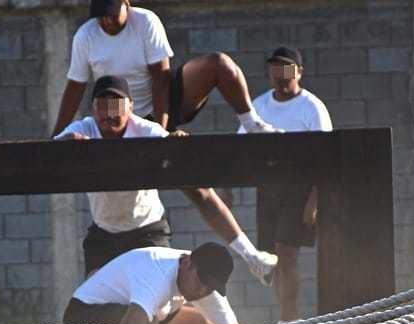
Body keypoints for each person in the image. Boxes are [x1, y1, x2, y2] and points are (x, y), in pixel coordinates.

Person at [53, 1, 281, 284]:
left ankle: (252, 125)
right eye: (101, 18)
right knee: (195, 189)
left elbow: (161, 79)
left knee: (218, 65)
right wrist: (54, 141)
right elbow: (75, 88)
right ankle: (251, 256)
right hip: (114, 119)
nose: (107, 22)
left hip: (158, 111)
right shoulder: (85, 36)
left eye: (112, 15)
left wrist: (160, 134)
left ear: (126, 4)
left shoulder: (145, 22)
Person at [238, 46, 333, 322]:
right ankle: (285, 321)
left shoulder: (312, 107)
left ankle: (289, 322)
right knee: (274, 258)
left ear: (299, 72)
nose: (280, 76)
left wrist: (314, 200)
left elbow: (324, 157)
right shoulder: (258, 106)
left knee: (286, 253)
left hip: (301, 190)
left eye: (286, 70)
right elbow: (236, 146)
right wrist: (227, 188)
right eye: (274, 70)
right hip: (268, 189)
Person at [63, 243, 243, 324]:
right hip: (82, 315)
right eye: (201, 281)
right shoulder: (156, 272)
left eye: (210, 287)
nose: (202, 291)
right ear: (187, 263)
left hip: (137, 321)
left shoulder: (204, 285)